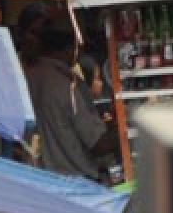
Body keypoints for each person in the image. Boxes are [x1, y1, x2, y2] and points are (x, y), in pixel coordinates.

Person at [25, 27, 116, 181]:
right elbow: (96, 143)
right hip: (74, 178)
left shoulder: (27, 77)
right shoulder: (68, 84)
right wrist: (122, 131)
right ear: (68, 50)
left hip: (38, 177)